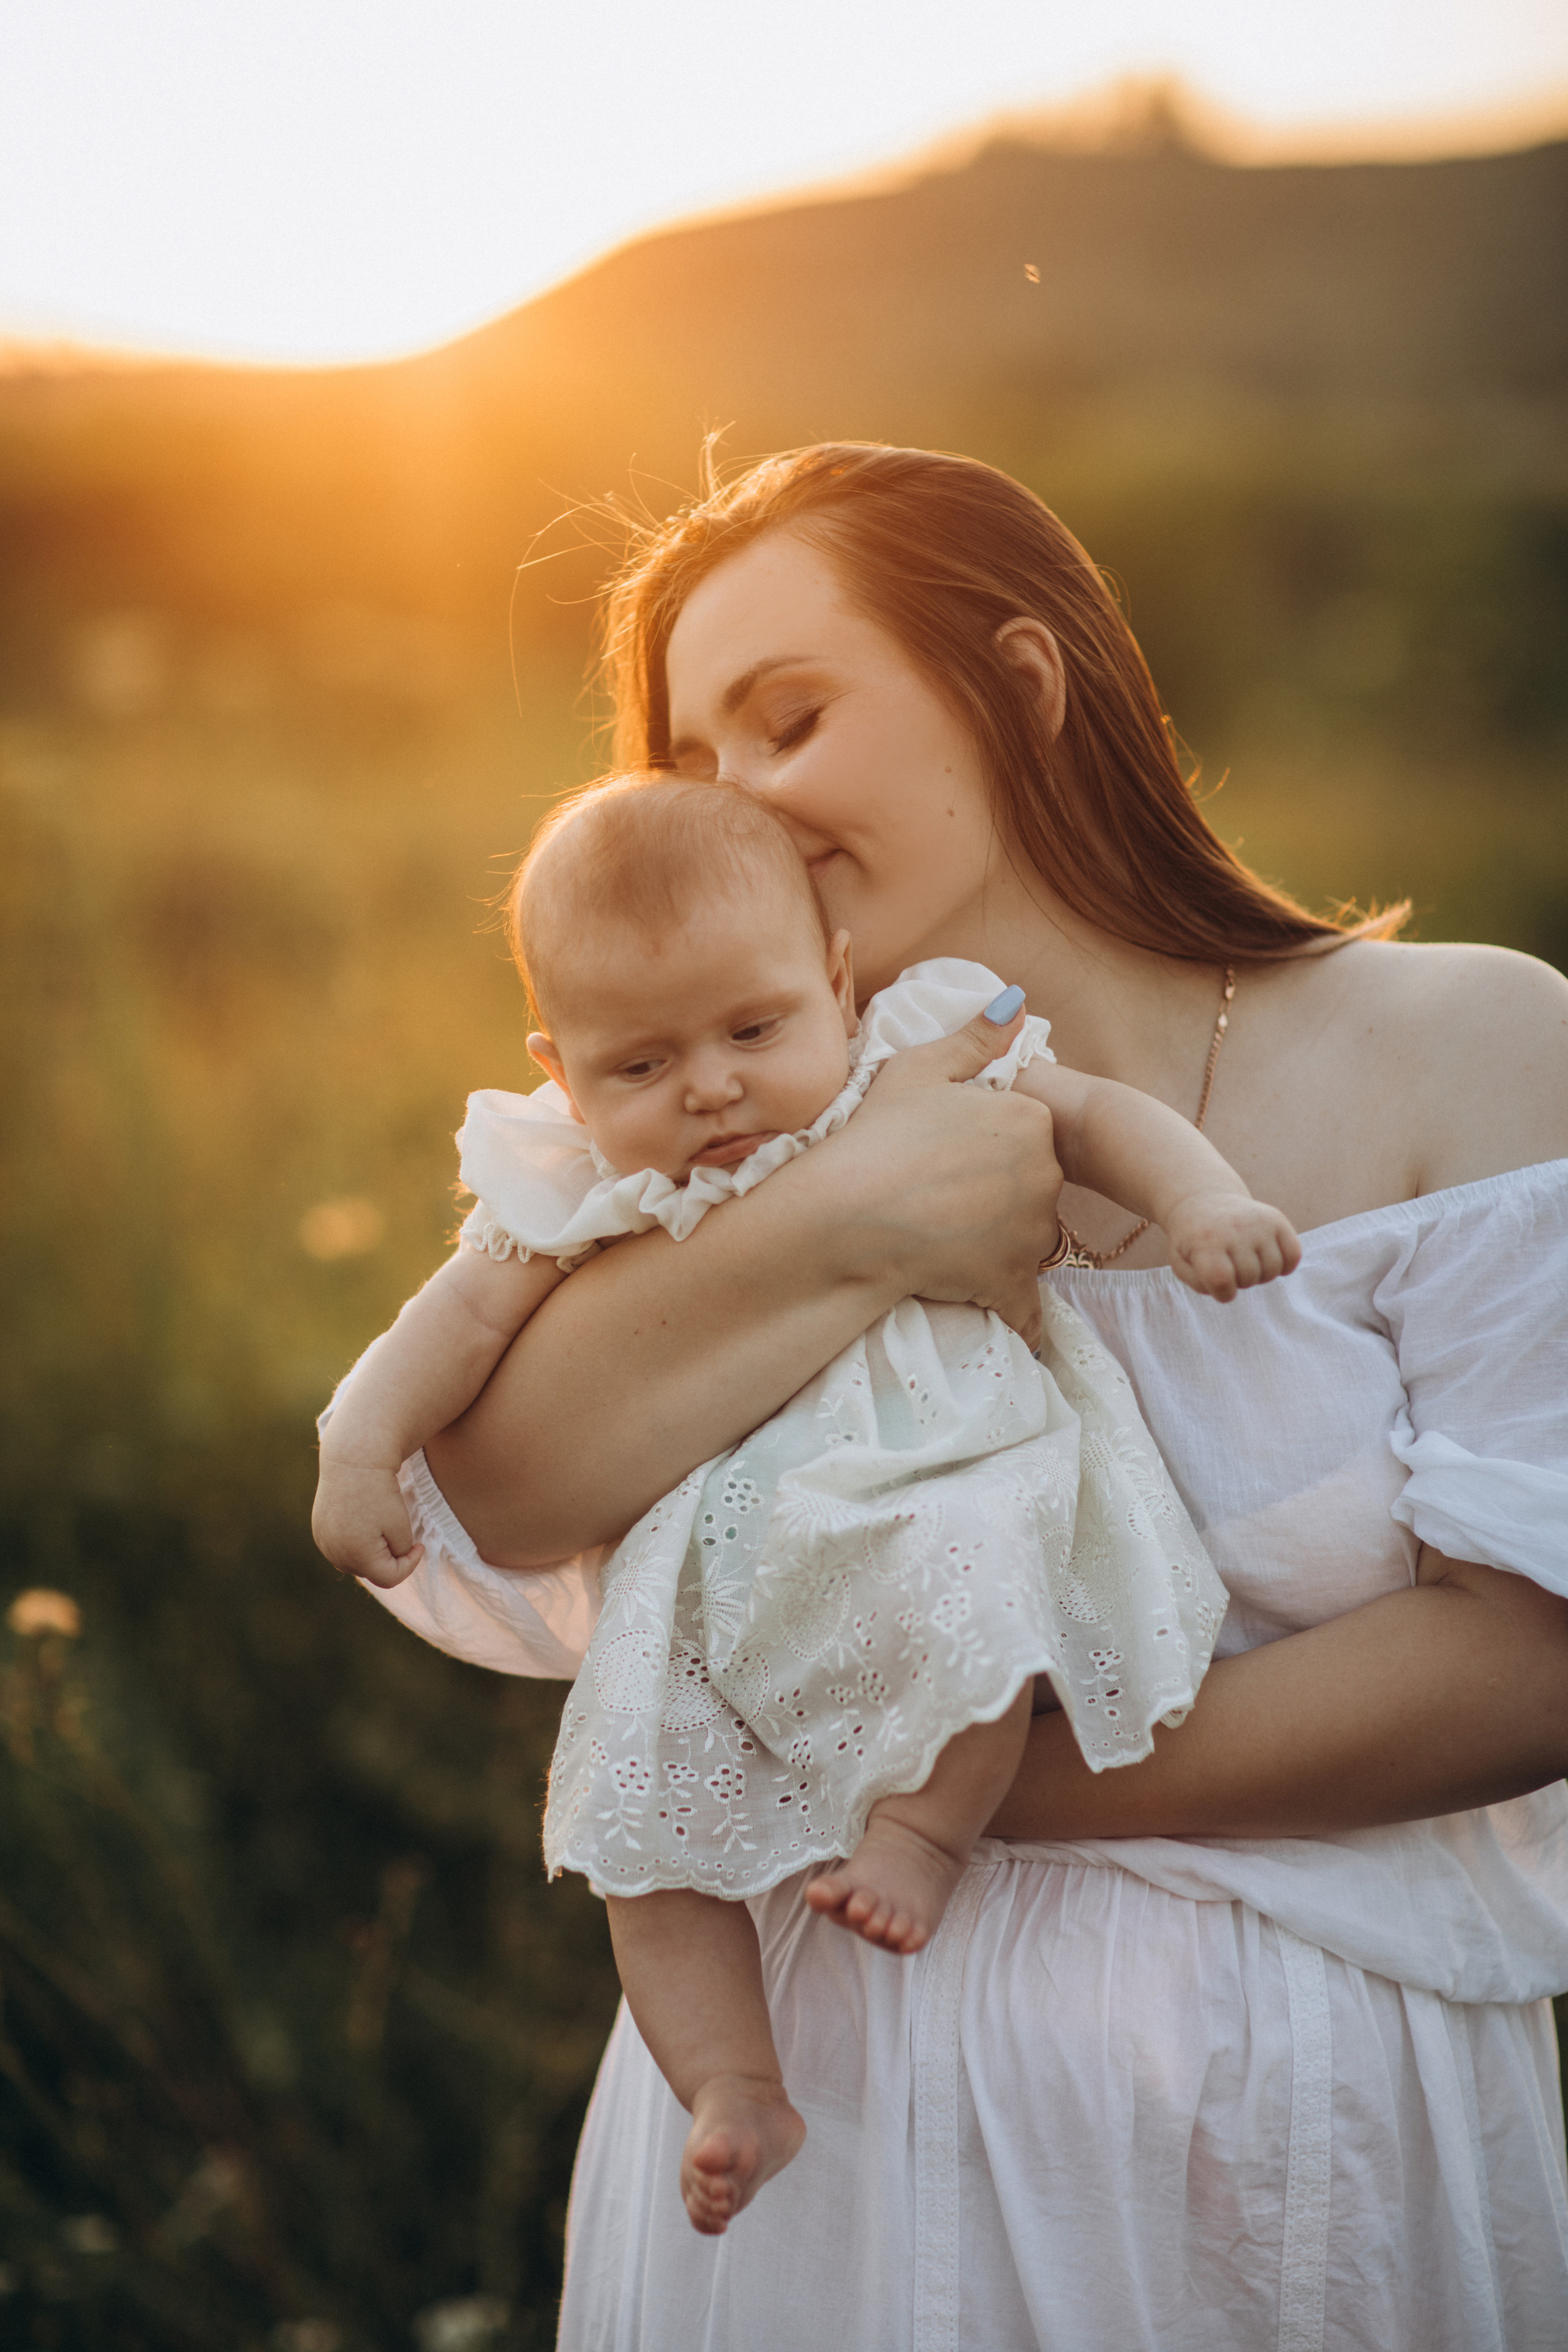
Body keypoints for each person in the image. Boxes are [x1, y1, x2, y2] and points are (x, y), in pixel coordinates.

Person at [412, 445, 1567, 2348]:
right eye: (692, 765)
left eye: (790, 719)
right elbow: (494, 1497)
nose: (742, 805)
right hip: (803, 2155)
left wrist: (938, 1785)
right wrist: (846, 1233)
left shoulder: (1467, 1042)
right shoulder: (696, 1114)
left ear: (1019, 686)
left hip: (1281, 2163)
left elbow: (1527, 1656)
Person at [315, 766, 1296, 2233]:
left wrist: (1202, 1198)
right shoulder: (576, 1174)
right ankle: (731, 2087)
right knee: (637, 1813)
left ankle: (917, 1834)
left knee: (973, 1587)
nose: (708, 1085)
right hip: (709, 1560)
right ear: (559, 1066)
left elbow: (1094, 1121)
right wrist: (354, 1450)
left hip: (924, 1464)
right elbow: (448, 1324)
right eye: (639, 1066)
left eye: (751, 1029)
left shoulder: (909, 1050)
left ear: (834, 981)